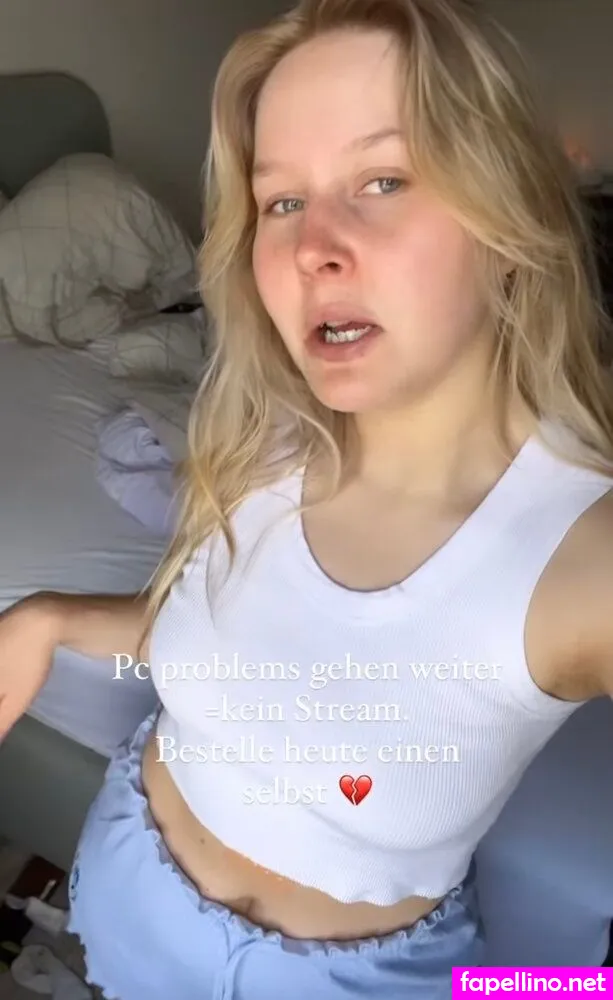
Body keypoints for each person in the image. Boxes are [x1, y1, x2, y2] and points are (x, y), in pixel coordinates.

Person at [2, 0, 613, 996]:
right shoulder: (262, 437)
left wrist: (560, 989)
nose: (310, 246)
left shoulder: (585, 554)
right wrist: (54, 616)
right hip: (127, 876)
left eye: (383, 180)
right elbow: (238, 652)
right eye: (280, 201)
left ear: (508, 219)